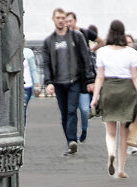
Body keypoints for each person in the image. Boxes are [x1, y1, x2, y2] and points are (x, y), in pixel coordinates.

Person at [92, 20, 137, 179]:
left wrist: (95, 97)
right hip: (127, 91)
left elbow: (100, 77)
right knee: (124, 132)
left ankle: (111, 154)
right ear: (123, 33)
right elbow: (136, 77)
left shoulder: (101, 52)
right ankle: (121, 169)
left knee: (110, 131)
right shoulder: (131, 52)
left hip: (109, 89)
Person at [42, 8, 94, 155]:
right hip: (58, 82)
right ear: (53, 19)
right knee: (64, 113)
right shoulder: (48, 41)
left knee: (72, 110)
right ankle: (69, 142)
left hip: (74, 81)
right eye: (58, 17)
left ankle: (72, 140)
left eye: (63, 17)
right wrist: (49, 82)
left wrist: (90, 79)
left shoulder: (76, 37)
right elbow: (45, 63)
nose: (61, 20)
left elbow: (86, 57)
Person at [22, 46, 38, 124]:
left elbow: (33, 69)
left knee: (23, 109)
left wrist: (37, 84)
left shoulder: (28, 52)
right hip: (14, 85)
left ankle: (23, 132)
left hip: (26, 86)